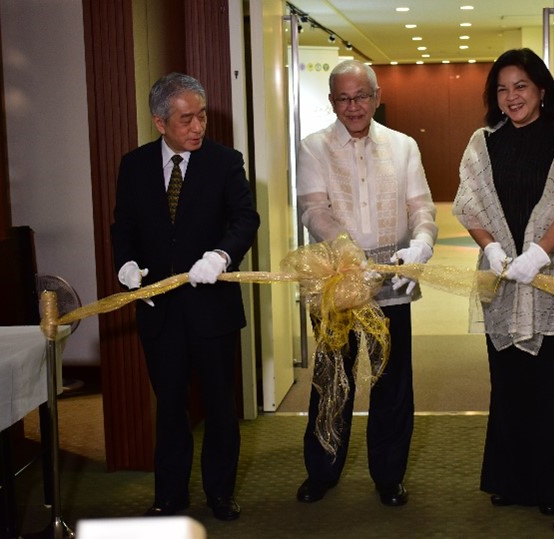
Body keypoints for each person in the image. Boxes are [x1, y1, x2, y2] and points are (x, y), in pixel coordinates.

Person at [111, 72, 260, 521]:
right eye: (185, 120)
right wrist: (127, 264)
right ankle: (170, 495)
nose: (197, 128)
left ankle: (220, 493)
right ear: (160, 123)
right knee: (171, 406)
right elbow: (124, 226)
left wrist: (221, 254)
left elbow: (245, 219)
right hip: (159, 311)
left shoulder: (224, 161)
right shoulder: (133, 165)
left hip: (212, 309)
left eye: (201, 117)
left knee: (218, 405)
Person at [452, 48, 554, 516]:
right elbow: (470, 203)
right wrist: (492, 248)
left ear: (542, 90)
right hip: (504, 270)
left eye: (521, 87)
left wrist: (539, 252)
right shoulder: (483, 141)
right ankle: (511, 478)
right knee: (509, 375)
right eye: (502, 88)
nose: (511, 97)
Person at [295, 60, 437, 507]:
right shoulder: (313, 146)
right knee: (332, 378)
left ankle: (389, 476)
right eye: (343, 97)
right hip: (336, 277)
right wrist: (349, 256)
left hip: (392, 277)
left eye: (361, 96)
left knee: (392, 383)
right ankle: (321, 471)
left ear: (376, 98)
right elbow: (313, 210)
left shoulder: (403, 146)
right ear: (332, 101)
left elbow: (422, 208)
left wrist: (422, 244)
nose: (353, 106)